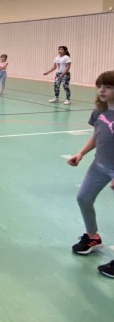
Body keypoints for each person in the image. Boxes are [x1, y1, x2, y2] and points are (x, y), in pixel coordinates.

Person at [66, 71, 114, 278]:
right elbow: (97, 136)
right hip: (99, 165)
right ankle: (93, 237)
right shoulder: (99, 111)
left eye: (108, 87)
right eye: (99, 86)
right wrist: (81, 153)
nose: (102, 90)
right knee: (84, 198)